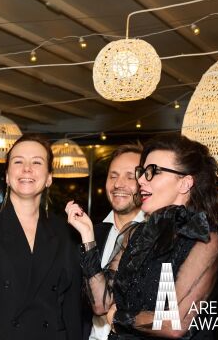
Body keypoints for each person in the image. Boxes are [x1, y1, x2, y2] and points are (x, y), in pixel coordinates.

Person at [67, 134, 218, 339]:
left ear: (185, 183)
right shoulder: (136, 233)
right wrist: (88, 236)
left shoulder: (204, 241)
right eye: (143, 172)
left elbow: (174, 325)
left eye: (153, 172)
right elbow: (101, 305)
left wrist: (119, 318)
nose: (141, 180)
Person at [0, 134, 82, 340]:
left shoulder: (66, 231)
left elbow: (71, 309)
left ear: (49, 177)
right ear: (7, 176)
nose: (27, 169)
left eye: (37, 162)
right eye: (18, 161)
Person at [85, 145, 145, 340]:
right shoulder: (90, 234)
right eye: (113, 176)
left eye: (130, 177)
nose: (118, 184)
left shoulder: (156, 237)